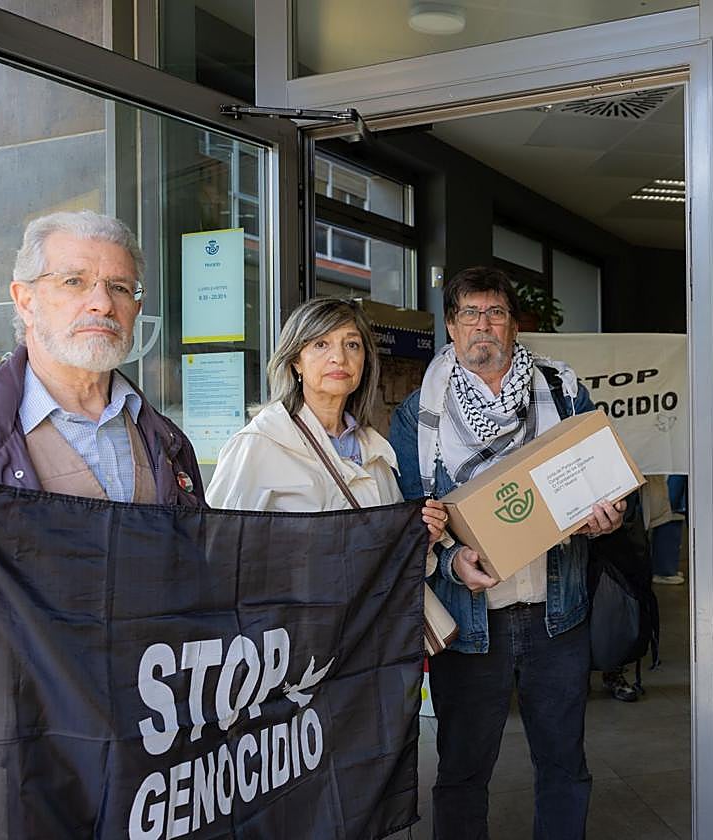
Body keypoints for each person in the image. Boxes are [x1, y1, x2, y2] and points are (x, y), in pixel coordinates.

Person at [0, 210, 206, 839]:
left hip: (138, 760)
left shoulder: (166, 445)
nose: (100, 303)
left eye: (120, 287)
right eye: (74, 281)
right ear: (24, 299)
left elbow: (200, 594)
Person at [389, 266, 624, 840]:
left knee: (564, 765)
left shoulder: (564, 392)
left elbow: (605, 480)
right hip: (471, 626)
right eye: (469, 313)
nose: (483, 326)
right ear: (451, 325)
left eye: (495, 313)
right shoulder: (419, 414)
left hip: (555, 616)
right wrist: (450, 561)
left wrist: (608, 517)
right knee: (463, 773)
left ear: (514, 325)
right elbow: (406, 521)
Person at [206, 296, 446, 546]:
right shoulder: (258, 444)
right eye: (321, 344)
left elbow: (384, 554)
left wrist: (421, 539)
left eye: (352, 345)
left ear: (366, 359)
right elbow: (219, 552)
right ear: (295, 361)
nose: (339, 358)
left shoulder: (378, 452)